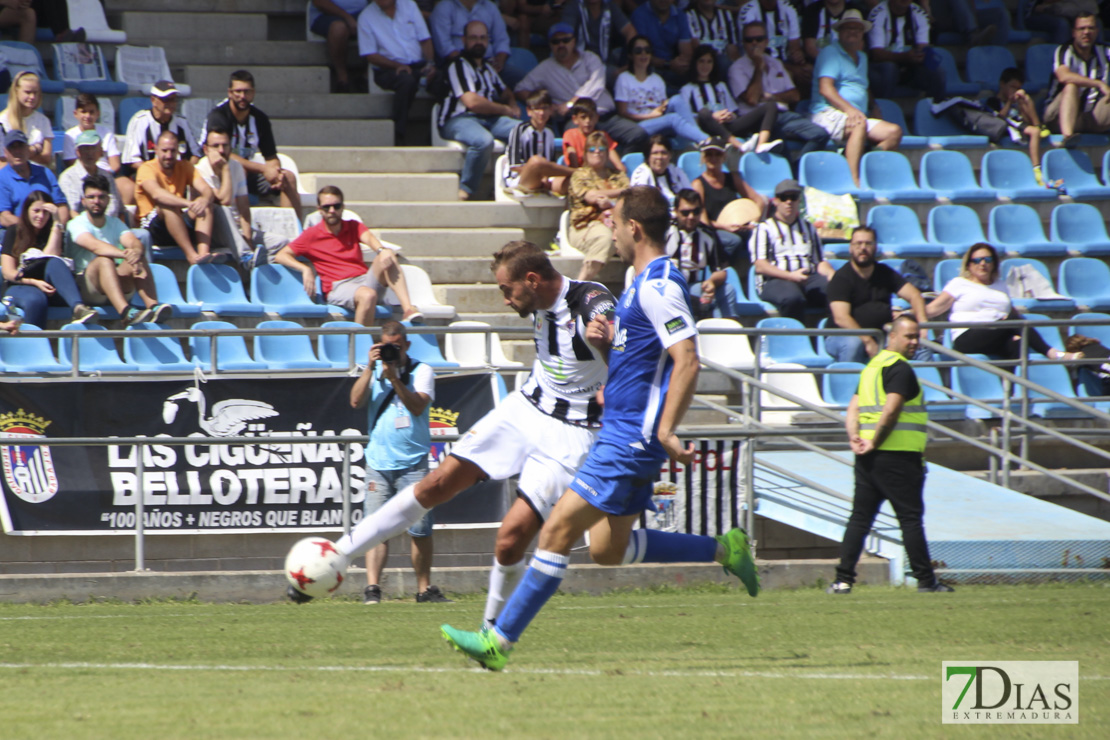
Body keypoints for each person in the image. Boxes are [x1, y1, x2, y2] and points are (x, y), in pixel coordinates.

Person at [440, 186, 759, 671]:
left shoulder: (658, 286)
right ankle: (725, 548)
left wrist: (668, 428)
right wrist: (613, 342)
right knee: (609, 550)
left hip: (629, 438)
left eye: (613, 223)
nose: (609, 230)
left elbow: (687, 360)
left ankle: (497, 643)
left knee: (556, 533)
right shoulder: (640, 279)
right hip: (624, 432)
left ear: (633, 228)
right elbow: (647, 354)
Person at [310, 241, 617, 631]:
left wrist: (608, 344)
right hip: (525, 409)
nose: (505, 301)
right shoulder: (541, 302)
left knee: (511, 540)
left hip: (572, 433)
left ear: (533, 280)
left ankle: (492, 636)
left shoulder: (592, 302)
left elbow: (628, 354)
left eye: (507, 290)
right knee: (436, 483)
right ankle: (336, 556)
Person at [827, 314, 954, 594]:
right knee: (909, 519)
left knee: (860, 518)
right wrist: (875, 441)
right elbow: (892, 409)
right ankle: (926, 581)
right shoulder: (900, 369)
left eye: (916, 336)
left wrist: (855, 438)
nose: (914, 342)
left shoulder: (872, 367)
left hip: (868, 457)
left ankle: (842, 580)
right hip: (897, 456)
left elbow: (853, 408)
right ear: (893, 336)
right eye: (908, 336)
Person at [348, 320, 452, 605]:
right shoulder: (372, 371)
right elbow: (355, 401)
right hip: (378, 464)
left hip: (413, 464)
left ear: (406, 344)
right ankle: (372, 590)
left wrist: (394, 378)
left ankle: (423, 590)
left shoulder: (422, 371)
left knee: (420, 530)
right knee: (375, 529)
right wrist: (370, 368)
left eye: (395, 346)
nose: (390, 351)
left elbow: (418, 406)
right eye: (385, 346)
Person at [274, 186, 421, 326]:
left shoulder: (353, 226)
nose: (332, 211)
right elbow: (281, 255)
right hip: (338, 286)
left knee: (387, 255)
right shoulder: (311, 235)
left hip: (363, 280)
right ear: (320, 210)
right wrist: (305, 269)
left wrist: (382, 250)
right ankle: (361, 347)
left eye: (336, 206)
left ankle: (408, 309)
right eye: (326, 207)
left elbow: (369, 238)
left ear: (342, 207)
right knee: (367, 295)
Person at [924, 243, 1077, 361]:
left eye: (987, 259)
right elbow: (934, 309)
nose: (982, 264)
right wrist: (910, 313)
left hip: (997, 333)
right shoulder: (959, 283)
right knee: (1013, 321)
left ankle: (1011, 389)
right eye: (976, 260)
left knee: (1016, 343)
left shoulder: (1001, 286)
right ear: (969, 265)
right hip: (967, 335)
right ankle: (1051, 352)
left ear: (994, 263)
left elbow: (1011, 313)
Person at [809, 9, 902, 187]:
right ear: (839, 32)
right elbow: (825, 89)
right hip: (826, 113)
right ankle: (853, 182)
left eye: (857, 29)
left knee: (893, 132)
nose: (853, 32)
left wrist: (873, 105)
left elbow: (862, 87)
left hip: (856, 116)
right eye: (848, 28)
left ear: (862, 34)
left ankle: (864, 164)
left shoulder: (863, 57)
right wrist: (850, 110)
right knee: (859, 123)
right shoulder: (830, 53)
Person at [66, 173, 171, 326]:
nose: (96, 201)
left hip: (114, 282)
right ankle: (125, 313)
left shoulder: (114, 222)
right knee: (104, 260)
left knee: (137, 256)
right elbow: (95, 246)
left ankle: (153, 306)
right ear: (83, 201)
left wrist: (135, 251)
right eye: (91, 197)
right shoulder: (75, 224)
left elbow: (134, 241)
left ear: (108, 200)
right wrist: (124, 253)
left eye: (101, 197)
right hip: (88, 287)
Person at [437, 20, 520, 201]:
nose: (478, 42)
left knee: (523, 133)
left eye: (483, 38)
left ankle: (504, 186)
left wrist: (512, 103)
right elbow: (472, 102)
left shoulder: (488, 68)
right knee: (483, 141)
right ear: (464, 40)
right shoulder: (457, 65)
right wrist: (504, 109)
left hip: (489, 119)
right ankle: (466, 190)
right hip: (458, 119)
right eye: (474, 38)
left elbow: (505, 91)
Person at [201, 70, 303, 215]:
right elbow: (223, 154)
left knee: (288, 178)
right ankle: (240, 226)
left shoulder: (260, 119)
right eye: (238, 92)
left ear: (253, 93)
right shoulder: (218, 116)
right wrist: (263, 169)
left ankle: (293, 230)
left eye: (247, 92)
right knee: (239, 170)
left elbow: (271, 156)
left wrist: (275, 172)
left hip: (250, 173)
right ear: (229, 93)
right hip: (218, 170)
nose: (242, 96)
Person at [729, 20, 831, 162]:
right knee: (780, 140)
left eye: (759, 39)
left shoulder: (775, 63)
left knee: (821, 134)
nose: (754, 44)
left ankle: (797, 167)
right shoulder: (737, 68)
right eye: (749, 40)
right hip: (759, 121)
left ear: (766, 41)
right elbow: (752, 99)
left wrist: (771, 97)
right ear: (744, 44)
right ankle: (790, 171)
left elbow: (795, 96)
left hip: (785, 115)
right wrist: (758, 67)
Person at [826, 226, 926, 364]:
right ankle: (850, 384)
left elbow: (914, 295)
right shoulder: (842, 278)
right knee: (853, 344)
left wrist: (923, 326)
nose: (863, 248)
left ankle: (921, 384)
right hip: (842, 335)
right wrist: (867, 340)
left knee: (918, 345)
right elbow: (841, 318)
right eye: (858, 243)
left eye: (868, 243)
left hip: (881, 334)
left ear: (875, 247)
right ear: (850, 247)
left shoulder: (885, 273)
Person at [196, 126, 290, 270]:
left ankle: (254, 271)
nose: (221, 150)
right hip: (215, 230)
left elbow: (244, 207)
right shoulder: (200, 169)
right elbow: (224, 201)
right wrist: (225, 169)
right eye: (216, 146)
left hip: (238, 228)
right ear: (206, 149)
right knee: (223, 209)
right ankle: (246, 257)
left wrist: (247, 237)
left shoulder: (237, 166)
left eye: (225, 145)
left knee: (281, 243)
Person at [0, 190, 95, 328]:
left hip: (50, 287)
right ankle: (35, 343)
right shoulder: (14, 231)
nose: (41, 216)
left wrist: (57, 222)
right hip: (21, 284)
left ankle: (79, 309)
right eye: (36, 211)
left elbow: (48, 258)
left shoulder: (53, 232)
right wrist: (35, 282)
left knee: (55, 262)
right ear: (27, 211)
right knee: (37, 299)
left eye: (45, 212)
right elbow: (8, 273)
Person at [750, 178, 833, 322]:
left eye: (793, 197)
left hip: (808, 277)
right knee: (793, 298)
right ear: (776, 201)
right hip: (775, 279)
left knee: (836, 291)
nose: (789, 202)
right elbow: (760, 265)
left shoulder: (808, 227)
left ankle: (832, 336)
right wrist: (791, 276)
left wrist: (832, 275)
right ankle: (794, 339)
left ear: (798, 201)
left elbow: (819, 261)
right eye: (784, 198)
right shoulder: (764, 228)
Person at [358, 0, 435, 145]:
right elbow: (370, 55)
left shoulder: (409, 5)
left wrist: (430, 64)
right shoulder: (366, 17)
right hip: (387, 69)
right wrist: (396, 65)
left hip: (418, 64)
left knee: (441, 79)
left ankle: (436, 132)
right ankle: (399, 133)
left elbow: (425, 39)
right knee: (406, 81)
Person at [135, 131, 216, 265]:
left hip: (177, 222)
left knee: (205, 205)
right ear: (156, 149)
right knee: (166, 205)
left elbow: (207, 190)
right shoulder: (146, 168)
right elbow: (157, 194)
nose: (169, 155)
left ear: (178, 150)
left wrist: (204, 200)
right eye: (164, 150)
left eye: (172, 151)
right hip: (152, 227)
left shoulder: (184, 166)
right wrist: (189, 203)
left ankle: (203, 255)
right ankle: (192, 257)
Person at [513, 23, 613, 132]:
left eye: (566, 40)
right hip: (575, 121)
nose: (561, 45)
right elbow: (520, 89)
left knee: (634, 134)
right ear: (550, 45)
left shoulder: (590, 58)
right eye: (555, 42)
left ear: (574, 41)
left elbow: (597, 84)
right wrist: (548, 105)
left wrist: (570, 103)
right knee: (574, 137)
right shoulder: (545, 67)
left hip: (605, 116)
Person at [681, 43, 780, 153]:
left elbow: (734, 112)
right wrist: (713, 117)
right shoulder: (687, 89)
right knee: (704, 112)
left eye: (709, 61)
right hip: (707, 129)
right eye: (701, 61)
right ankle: (739, 145)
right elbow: (688, 119)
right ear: (695, 63)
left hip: (728, 126)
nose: (705, 65)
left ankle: (761, 145)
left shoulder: (721, 86)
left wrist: (729, 116)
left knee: (771, 106)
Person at [613, 35, 706, 144]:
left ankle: (700, 140)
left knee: (677, 99)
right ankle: (705, 140)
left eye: (647, 50)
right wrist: (649, 116)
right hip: (638, 126)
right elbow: (622, 113)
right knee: (673, 118)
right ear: (630, 55)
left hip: (659, 120)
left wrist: (664, 104)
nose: (643, 54)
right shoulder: (624, 78)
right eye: (638, 51)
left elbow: (662, 106)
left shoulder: (657, 79)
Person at [666, 188, 742, 318]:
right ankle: (716, 332)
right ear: (676, 212)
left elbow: (721, 270)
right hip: (668, 288)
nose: (691, 217)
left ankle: (730, 332)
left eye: (696, 212)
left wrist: (712, 282)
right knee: (701, 294)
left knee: (727, 290)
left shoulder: (707, 234)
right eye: (685, 213)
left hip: (695, 286)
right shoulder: (665, 232)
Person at [121, 81, 201, 203]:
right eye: (166, 100)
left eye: (173, 100)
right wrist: (156, 175)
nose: (171, 104)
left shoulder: (181, 122)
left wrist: (184, 173)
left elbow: (196, 154)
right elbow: (131, 160)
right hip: (150, 180)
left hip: (178, 179)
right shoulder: (140, 121)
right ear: (153, 100)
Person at [691, 136, 764, 264]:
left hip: (738, 225)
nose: (713, 158)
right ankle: (723, 269)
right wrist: (725, 227)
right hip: (713, 229)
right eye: (709, 154)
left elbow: (759, 200)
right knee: (733, 240)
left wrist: (753, 223)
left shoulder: (732, 178)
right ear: (703, 158)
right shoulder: (698, 184)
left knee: (763, 234)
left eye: (717, 154)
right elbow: (702, 220)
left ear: (723, 157)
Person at [567, 130, 629, 280]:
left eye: (601, 149)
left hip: (617, 224)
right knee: (606, 237)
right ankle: (580, 284)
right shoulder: (579, 175)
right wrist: (620, 193)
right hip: (585, 225)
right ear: (585, 153)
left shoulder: (618, 176)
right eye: (592, 149)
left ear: (607, 153)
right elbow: (590, 196)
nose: (597, 152)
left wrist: (611, 202)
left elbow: (630, 196)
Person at [1044, 13, 1110, 148]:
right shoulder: (1064, 51)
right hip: (1058, 117)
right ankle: (1068, 138)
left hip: (1092, 116)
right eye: (1082, 29)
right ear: (1073, 32)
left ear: (1097, 31)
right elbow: (1063, 76)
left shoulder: (1105, 52)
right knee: (1071, 86)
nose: (1086, 32)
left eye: (1091, 28)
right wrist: (1098, 83)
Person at [866, 0, 945, 101]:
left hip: (910, 66)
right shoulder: (878, 13)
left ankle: (936, 108)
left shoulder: (919, 13)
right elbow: (876, 54)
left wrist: (920, 55)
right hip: (882, 67)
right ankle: (883, 108)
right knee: (889, 68)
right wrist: (905, 57)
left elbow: (923, 47)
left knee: (937, 71)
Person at [0, 130, 69, 242]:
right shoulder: (2, 178)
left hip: (48, 231)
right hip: (17, 233)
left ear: (28, 149)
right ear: (5, 152)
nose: (17, 151)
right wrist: (31, 228)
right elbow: (4, 217)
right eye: (12, 148)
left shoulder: (46, 173)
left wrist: (57, 227)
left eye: (21, 146)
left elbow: (61, 207)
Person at [503, 89, 574, 196]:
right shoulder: (519, 130)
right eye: (537, 109)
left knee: (572, 182)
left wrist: (545, 177)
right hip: (519, 179)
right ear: (529, 111)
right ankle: (575, 171)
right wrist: (540, 174)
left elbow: (550, 164)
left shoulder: (549, 132)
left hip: (543, 180)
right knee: (536, 162)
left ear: (550, 110)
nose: (541, 113)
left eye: (545, 108)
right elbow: (515, 166)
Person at [61, 93, 129, 203]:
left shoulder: (106, 133)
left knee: (127, 186)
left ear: (98, 114)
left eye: (91, 112)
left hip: (106, 176)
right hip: (82, 177)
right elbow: (71, 163)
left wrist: (104, 174)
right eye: (83, 111)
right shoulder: (70, 135)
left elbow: (115, 164)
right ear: (75, 114)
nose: (87, 116)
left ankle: (119, 215)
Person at [986, 68, 1048, 184]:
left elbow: (1024, 118)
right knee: (1034, 132)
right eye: (1012, 87)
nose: (1015, 91)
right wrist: (1009, 102)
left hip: (1020, 123)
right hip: (1006, 125)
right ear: (1002, 84)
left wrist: (1023, 101)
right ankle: (1036, 169)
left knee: (1028, 103)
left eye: (1018, 88)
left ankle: (1039, 125)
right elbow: (999, 119)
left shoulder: (1018, 101)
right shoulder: (993, 101)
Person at [738, 0, 810, 91]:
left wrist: (798, 56)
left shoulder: (788, 8)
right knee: (788, 74)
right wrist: (791, 68)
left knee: (809, 71)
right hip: (758, 63)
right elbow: (753, 53)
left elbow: (794, 46)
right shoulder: (748, 11)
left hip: (786, 61)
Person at [629, 0, 694, 89]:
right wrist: (668, 64)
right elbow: (640, 54)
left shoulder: (680, 15)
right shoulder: (639, 15)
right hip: (647, 68)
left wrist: (681, 64)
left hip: (673, 69)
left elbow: (686, 52)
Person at [430, 0, 511, 71]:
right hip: (457, 66)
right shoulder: (443, 7)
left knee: (516, 78)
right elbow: (444, 47)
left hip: (491, 65)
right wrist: (471, 65)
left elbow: (502, 39)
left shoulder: (490, 7)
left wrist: (500, 61)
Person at [309, 0, 369, 93]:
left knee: (381, 25)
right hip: (326, 14)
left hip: (361, 12)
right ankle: (342, 79)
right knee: (339, 28)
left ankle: (366, 76)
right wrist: (347, 18)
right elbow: (319, 2)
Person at [560, 0, 636, 72]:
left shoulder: (610, 6)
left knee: (622, 77)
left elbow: (630, 31)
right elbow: (566, 34)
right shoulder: (573, 7)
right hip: (579, 63)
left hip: (605, 63)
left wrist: (630, 61)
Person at [561, 97, 629, 171]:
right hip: (577, 174)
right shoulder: (570, 135)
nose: (588, 121)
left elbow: (618, 164)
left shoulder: (601, 136)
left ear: (597, 118)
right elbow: (573, 165)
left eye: (591, 117)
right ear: (575, 119)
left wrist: (622, 172)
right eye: (583, 117)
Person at [0, 71, 53, 166]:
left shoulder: (43, 120)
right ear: (16, 91)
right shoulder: (2, 121)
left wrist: (18, 157)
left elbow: (46, 157)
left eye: (35, 93)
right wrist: (36, 149)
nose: (32, 97)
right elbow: (2, 160)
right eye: (27, 92)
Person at [629, 134, 690, 206]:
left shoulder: (676, 171)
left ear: (670, 155)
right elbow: (640, 204)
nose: (660, 157)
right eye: (655, 153)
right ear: (648, 156)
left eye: (664, 153)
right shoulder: (641, 174)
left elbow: (689, 195)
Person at [686, 0, 741, 65]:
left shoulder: (726, 15)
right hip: (701, 61)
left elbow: (732, 47)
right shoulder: (689, 16)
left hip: (724, 60)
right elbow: (695, 46)